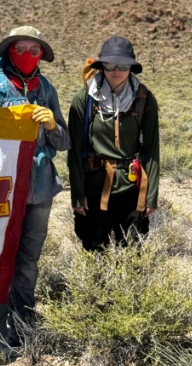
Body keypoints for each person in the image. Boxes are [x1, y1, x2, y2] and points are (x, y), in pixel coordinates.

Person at [0, 26, 70, 365]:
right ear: (8, 52)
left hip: (41, 187)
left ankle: (25, 325)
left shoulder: (46, 88)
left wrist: (51, 126)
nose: (29, 55)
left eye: (35, 50)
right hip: (1, 189)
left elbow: (64, 141)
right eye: (21, 48)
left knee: (28, 262)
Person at [67, 36, 160, 251]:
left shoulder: (143, 98)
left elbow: (152, 148)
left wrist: (151, 195)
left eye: (123, 65)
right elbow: (75, 151)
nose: (116, 70)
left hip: (131, 187)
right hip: (94, 187)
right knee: (93, 247)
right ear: (101, 66)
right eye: (109, 64)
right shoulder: (84, 99)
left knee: (132, 248)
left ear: (131, 67)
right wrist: (78, 196)